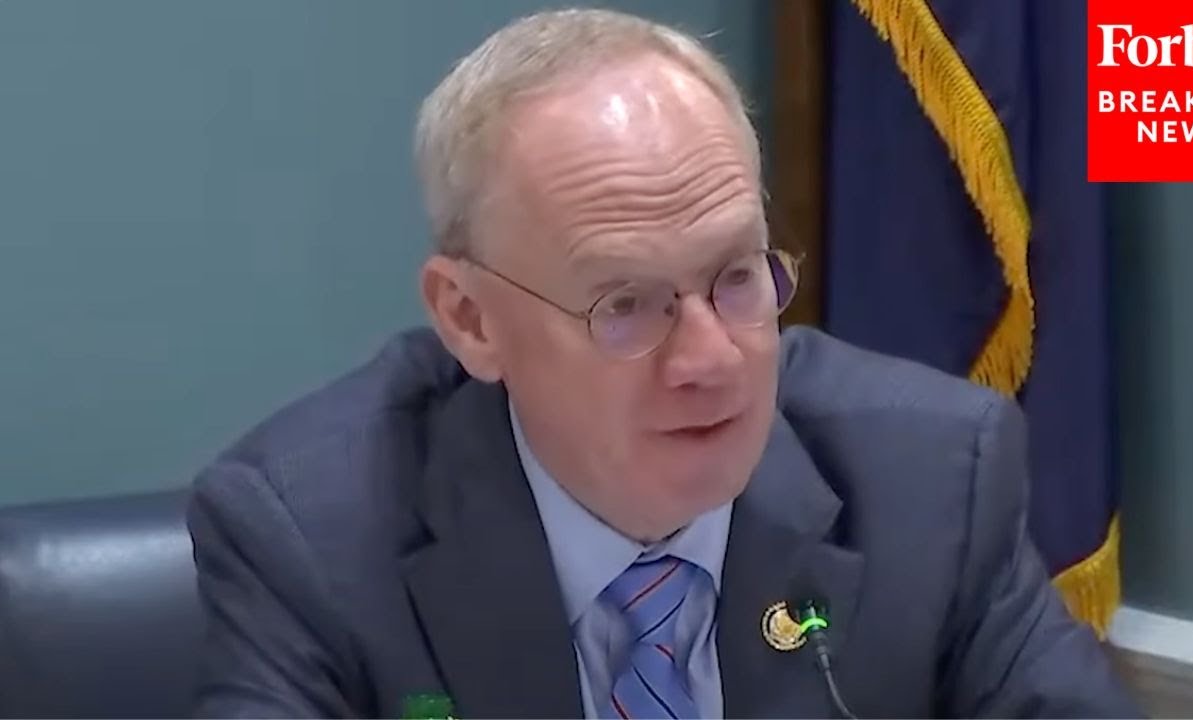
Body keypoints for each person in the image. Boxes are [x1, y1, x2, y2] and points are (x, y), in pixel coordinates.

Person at [186, 7, 1141, 719]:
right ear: (471, 320)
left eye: (737, 278)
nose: (711, 359)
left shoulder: (932, 481)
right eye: (626, 306)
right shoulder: (311, 539)